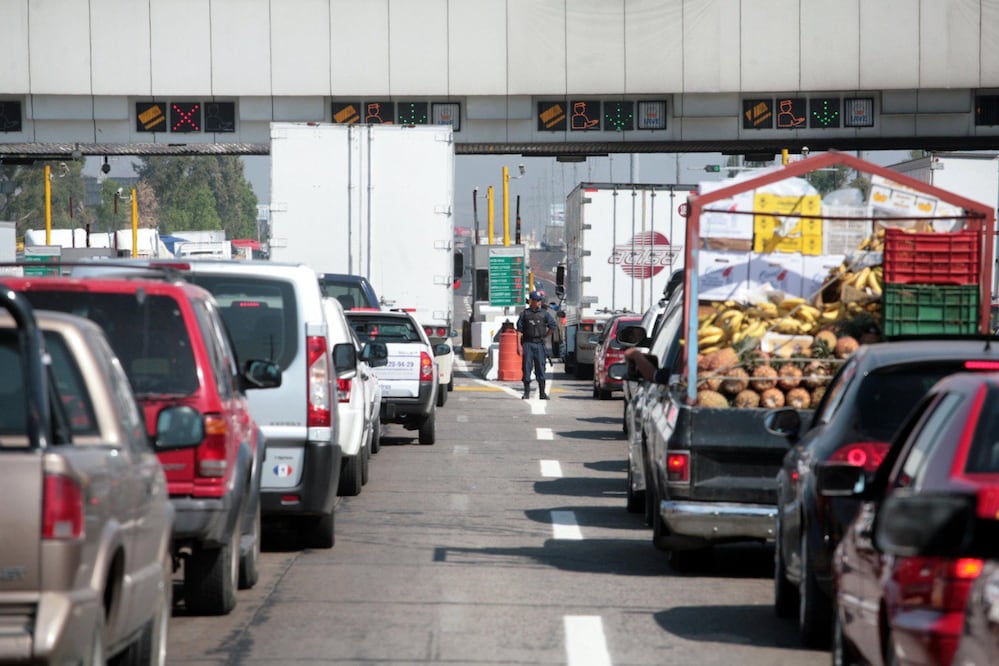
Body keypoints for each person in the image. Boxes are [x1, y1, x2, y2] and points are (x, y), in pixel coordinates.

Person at [516, 290, 557, 400]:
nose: (538, 302)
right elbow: (519, 330)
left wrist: (545, 336)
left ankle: (542, 393)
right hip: (528, 344)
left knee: (541, 368)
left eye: (539, 300)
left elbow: (553, 326)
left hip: (539, 344)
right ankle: (526, 392)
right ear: (531, 301)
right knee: (526, 368)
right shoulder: (525, 314)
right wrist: (518, 346)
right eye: (536, 300)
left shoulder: (544, 314)